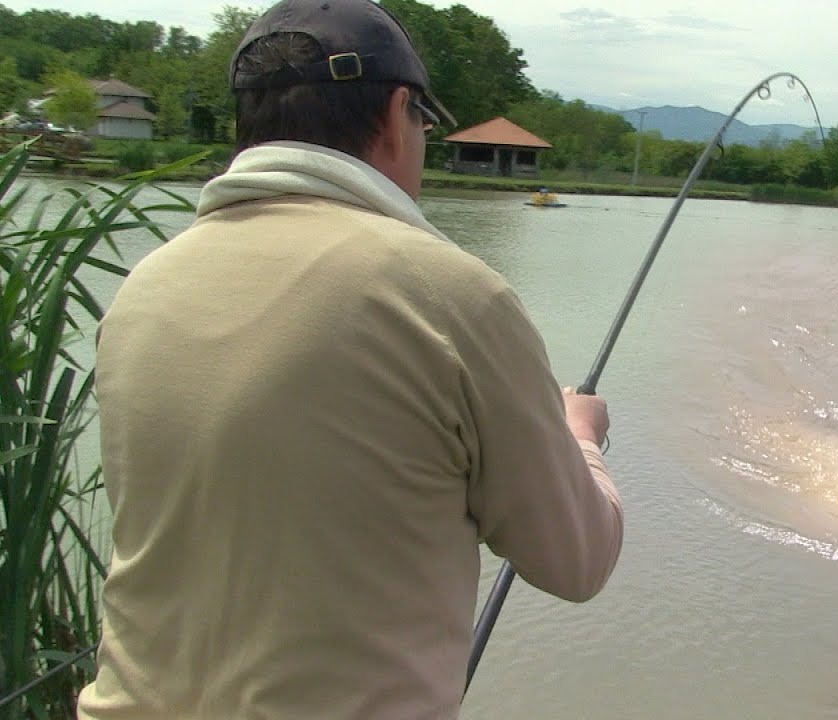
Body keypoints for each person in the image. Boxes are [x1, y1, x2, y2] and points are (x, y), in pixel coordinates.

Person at [77, 1, 623, 718]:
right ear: (399, 113)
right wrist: (580, 436)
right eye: (425, 121)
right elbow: (576, 559)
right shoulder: (449, 293)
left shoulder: (143, 289)